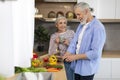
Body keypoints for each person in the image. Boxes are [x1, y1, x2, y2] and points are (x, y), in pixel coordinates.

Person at [63, 2, 106, 80]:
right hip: (76, 66)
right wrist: (68, 53)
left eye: (79, 14)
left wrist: (75, 57)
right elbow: (74, 42)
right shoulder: (81, 25)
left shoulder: (98, 27)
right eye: (76, 15)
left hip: (87, 69)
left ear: (86, 11)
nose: (77, 17)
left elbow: (95, 53)